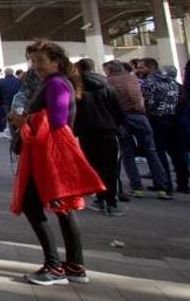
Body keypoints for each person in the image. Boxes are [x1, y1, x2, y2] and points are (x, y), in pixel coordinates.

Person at [11, 40, 104, 286]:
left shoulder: (55, 84)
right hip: (53, 152)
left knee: (34, 205)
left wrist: (23, 122)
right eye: (33, 61)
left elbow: (56, 120)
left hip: (49, 155)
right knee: (62, 208)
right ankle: (74, 265)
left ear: (56, 61)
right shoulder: (58, 82)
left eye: (41, 60)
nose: (36, 66)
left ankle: (54, 265)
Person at [104, 60, 169, 199]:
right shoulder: (135, 79)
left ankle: (136, 187)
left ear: (109, 70)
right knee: (151, 152)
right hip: (140, 116)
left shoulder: (109, 82)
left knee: (127, 153)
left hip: (122, 118)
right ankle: (162, 186)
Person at [73, 59, 127, 216]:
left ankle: (100, 197)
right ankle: (112, 202)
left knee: (94, 166)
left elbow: (73, 112)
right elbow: (118, 112)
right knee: (111, 167)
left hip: (86, 133)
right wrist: (115, 125)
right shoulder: (108, 87)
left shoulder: (77, 89)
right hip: (108, 131)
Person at [136, 58, 186, 196]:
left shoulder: (149, 83)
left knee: (159, 152)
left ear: (151, 67)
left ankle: (165, 184)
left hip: (156, 120)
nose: (138, 70)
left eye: (141, 67)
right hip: (173, 118)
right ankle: (183, 183)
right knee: (176, 152)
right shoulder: (171, 81)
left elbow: (148, 103)